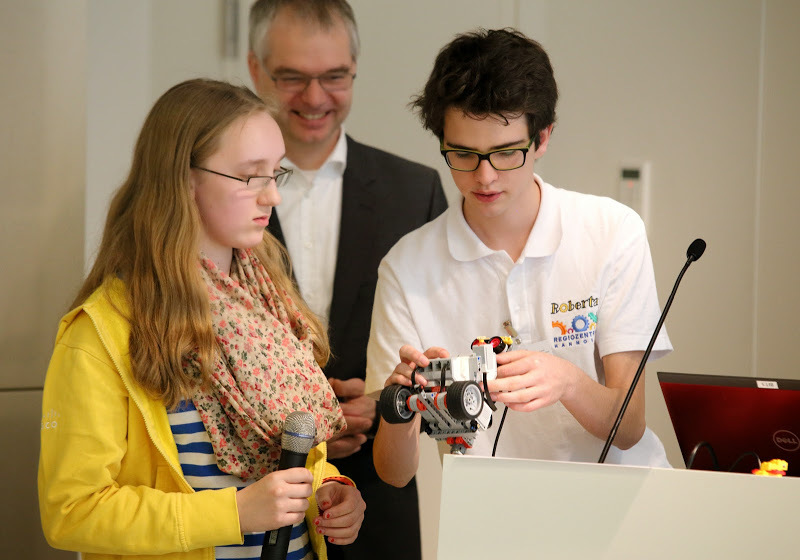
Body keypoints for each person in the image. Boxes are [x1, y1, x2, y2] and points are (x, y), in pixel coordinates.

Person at [38, 78, 365, 560]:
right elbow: (72, 512)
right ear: (184, 179)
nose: (272, 197)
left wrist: (330, 490)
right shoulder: (104, 333)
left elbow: (286, 460)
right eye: (250, 176)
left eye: (276, 173)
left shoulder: (268, 301)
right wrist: (234, 513)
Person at [366, 28, 673, 487]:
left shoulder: (611, 231)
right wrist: (402, 405)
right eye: (463, 154)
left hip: (616, 503)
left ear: (542, 137)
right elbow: (394, 474)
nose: (484, 177)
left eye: (505, 153)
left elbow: (629, 428)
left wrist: (567, 381)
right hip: (488, 510)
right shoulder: (406, 267)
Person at [247, 1, 447, 558]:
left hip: (380, 498)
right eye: (292, 77)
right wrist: (301, 421)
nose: (315, 98)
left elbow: (444, 350)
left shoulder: (415, 192)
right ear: (255, 69)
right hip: (255, 497)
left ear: (355, 70)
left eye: (334, 76)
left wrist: (388, 405)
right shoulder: (221, 194)